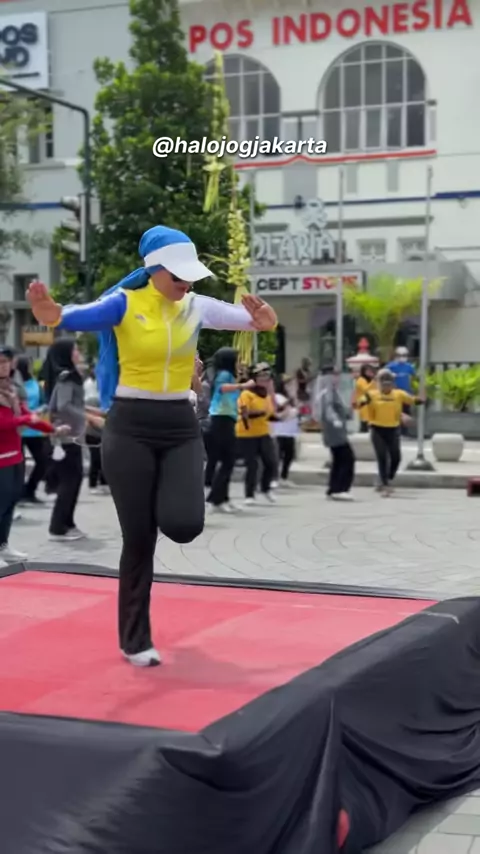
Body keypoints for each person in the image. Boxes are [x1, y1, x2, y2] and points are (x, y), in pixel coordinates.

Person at [27, 224, 277, 667]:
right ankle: (135, 639)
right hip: (129, 426)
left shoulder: (196, 306)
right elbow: (74, 316)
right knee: (139, 539)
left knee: (183, 523)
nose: (186, 284)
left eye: (190, 276)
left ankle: (162, 503)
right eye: (178, 276)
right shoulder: (124, 303)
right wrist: (50, 312)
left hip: (179, 424)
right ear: (155, 270)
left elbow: (250, 320)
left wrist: (265, 321)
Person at [0, 346, 67, 563]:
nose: (4, 366)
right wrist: (25, 419)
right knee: (1, 503)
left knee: (11, 502)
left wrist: (53, 429)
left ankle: (3, 545)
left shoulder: (10, 391)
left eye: (5, 361)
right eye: (0, 362)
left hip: (15, 456)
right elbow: (5, 423)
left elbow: (28, 416)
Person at [356, 368, 424, 496]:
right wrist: (362, 402)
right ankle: (385, 484)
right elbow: (359, 402)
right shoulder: (372, 394)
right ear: (379, 383)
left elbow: (413, 400)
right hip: (377, 428)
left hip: (393, 429)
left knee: (396, 457)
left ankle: (387, 477)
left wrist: (421, 399)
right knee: (382, 457)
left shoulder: (399, 394)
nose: (386, 387)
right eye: (383, 384)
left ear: (392, 384)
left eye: (389, 384)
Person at [205, 347, 253, 513]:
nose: (240, 363)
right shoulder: (224, 374)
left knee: (227, 461)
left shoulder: (229, 375)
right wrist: (243, 385)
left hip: (226, 419)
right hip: (221, 420)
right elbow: (222, 388)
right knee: (228, 461)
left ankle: (223, 498)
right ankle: (214, 499)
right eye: (237, 359)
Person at [236, 363, 277, 506]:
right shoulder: (246, 394)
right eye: (261, 376)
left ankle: (265, 488)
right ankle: (249, 494)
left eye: (267, 377)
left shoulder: (266, 395)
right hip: (247, 434)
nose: (265, 379)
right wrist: (259, 413)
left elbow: (271, 413)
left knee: (270, 462)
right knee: (252, 465)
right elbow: (244, 412)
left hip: (263, 432)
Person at [15, 355, 50, 504]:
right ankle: (17, 494)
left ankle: (29, 490)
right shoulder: (13, 385)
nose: (30, 368)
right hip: (18, 429)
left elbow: (45, 403)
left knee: (43, 461)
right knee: (19, 465)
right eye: (28, 365)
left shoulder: (36, 384)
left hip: (34, 429)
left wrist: (38, 411)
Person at [319, 366, 355, 501]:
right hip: (334, 430)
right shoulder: (326, 391)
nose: (337, 377)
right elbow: (328, 407)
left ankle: (334, 488)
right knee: (347, 458)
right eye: (334, 374)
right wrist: (335, 419)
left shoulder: (332, 390)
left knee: (339, 459)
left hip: (337, 430)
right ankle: (340, 488)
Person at [83, 367, 108, 495]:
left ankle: (103, 483)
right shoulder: (91, 394)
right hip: (93, 432)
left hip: (104, 431)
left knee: (104, 459)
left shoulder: (105, 395)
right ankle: (93, 484)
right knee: (96, 458)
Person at [271, 374, 299, 487]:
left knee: (289, 455)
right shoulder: (278, 397)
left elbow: (296, 410)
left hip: (290, 432)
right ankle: (274, 478)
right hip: (279, 431)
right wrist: (287, 412)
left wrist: (294, 397)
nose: (292, 386)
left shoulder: (291, 398)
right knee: (278, 456)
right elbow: (278, 414)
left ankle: (284, 477)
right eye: (289, 384)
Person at [387, 347, 416, 436]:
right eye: (400, 355)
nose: (402, 357)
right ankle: (395, 430)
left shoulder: (409, 367)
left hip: (406, 393)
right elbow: (383, 376)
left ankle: (405, 431)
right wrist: (390, 375)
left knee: (406, 411)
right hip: (394, 393)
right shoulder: (391, 366)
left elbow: (414, 377)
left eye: (404, 355)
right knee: (395, 412)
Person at [354, 364, 376, 433]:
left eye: (371, 371)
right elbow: (366, 389)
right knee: (365, 417)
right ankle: (364, 427)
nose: (370, 373)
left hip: (371, 401)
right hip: (363, 402)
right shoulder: (361, 380)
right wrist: (373, 381)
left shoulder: (371, 380)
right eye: (368, 371)